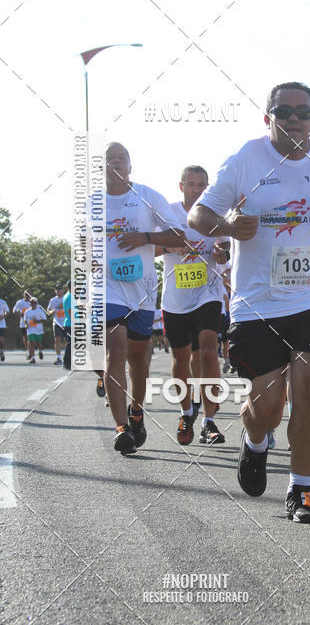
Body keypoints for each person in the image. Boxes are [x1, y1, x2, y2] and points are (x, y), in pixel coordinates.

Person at [190, 81, 310, 523]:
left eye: (303, 112)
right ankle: (255, 441)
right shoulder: (245, 159)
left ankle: (301, 489)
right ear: (268, 118)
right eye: (284, 111)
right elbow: (197, 215)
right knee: (267, 407)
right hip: (258, 303)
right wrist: (227, 225)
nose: (294, 119)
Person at [104, 142, 182, 455]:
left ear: (130, 166)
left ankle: (137, 412)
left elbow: (179, 237)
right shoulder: (93, 203)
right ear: (101, 167)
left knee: (139, 359)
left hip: (142, 290)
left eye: (121, 159)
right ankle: (121, 428)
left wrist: (145, 238)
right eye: (109, 160)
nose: (115, 164)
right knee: (116, 351)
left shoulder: (147, 197)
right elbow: (81, 248)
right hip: (108, 290)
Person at [158, 165, 229, 446]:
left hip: (208, 292)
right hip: (176, 297)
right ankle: (186, 412)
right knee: (181, 359)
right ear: (181, 186)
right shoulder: (168, 213)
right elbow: (149, 247)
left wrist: (222, 254)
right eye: (192, 184)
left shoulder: (213, 214)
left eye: (202, 185)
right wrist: (170, 247)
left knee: (209, 350)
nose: (197, 190)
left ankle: (209, 421)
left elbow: (226, 248)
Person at [47, 285, 66, 365]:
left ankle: (67, 357)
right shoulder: (53, 300)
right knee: (57, 339)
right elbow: (48, 310)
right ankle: (58, 357)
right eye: (57, 290)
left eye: (60, 289)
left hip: (66, 322)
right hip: (57, 322)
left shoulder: (66, 298)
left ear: (63, 290)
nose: (58, 291)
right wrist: (51, 312)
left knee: (67, 340)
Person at [23, 298, 46, 363]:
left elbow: (44, 319)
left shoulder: (40, 311)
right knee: (31, 342)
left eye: (34, 303)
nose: (32, 304)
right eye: (31, 303)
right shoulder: (27, 311)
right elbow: (25, 320)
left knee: (38, 343)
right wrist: (26, 325)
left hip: (39, 330)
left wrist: (37, 321)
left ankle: (40, 351)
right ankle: (33, 358)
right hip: (30, 329)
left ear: (36, 303)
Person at [13, 292, 32, 356]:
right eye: (26, 294)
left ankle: (32, 349)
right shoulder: (20, 302)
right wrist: (20, 314)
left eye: (28, 294)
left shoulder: (33, 301)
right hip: (23, 323)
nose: (27, 296)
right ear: (24, 295)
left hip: (33, 324)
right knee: (25, 337)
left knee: (31, 337)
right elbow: (14, 311)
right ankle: (28, 350)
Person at [63, 281, 72, 370]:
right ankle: (66, 362)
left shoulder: (68, 295)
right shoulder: (69, 297)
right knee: (70, 344)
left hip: (69, 323)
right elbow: (70, 312)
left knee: (71, 343)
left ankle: (69, 362)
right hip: (70, 324)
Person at [0, 297, 9, 361]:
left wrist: (2, 316)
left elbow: (7, 312)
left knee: (1, 340)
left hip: (1, 325)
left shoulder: (3, 302)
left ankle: (2, 352)